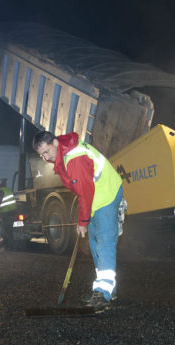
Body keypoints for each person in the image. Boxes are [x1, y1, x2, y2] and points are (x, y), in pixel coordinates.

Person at [33, 131, 123, 311]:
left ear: (56, 143)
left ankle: (103, 293)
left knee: (104, 242)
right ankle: (106, 288)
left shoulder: (75, 158)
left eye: (47, 151)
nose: (45, 157)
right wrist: (84, 218)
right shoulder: (64, 154)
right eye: (41, 155)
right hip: (96, 198)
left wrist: (82, 221)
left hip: (106, 194)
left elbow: (85, 191)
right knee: (94, 243)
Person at [0, 180, 17, 246]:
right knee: (10, 228)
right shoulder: (7, 189)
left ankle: (10, 245)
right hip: (13, 211)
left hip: (6, 212)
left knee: (7, 229)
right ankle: (9, 243)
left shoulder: (0, 192)